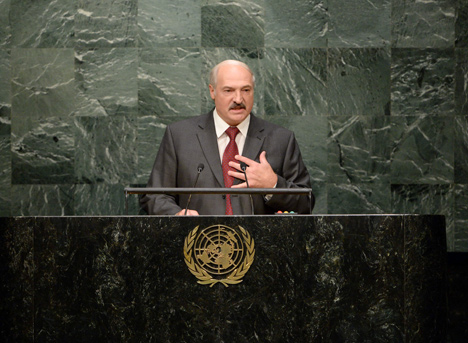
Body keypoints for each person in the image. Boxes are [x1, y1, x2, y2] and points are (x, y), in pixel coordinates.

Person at [140, 59, 313, 215]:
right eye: (229, 90)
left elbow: (306, 202)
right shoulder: (179, 136)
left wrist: (273, 185)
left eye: (246, 90)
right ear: (212, 91)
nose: (238, 99)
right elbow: (155, 196)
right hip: (197, 244)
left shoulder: (281, 139)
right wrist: (177, 215)